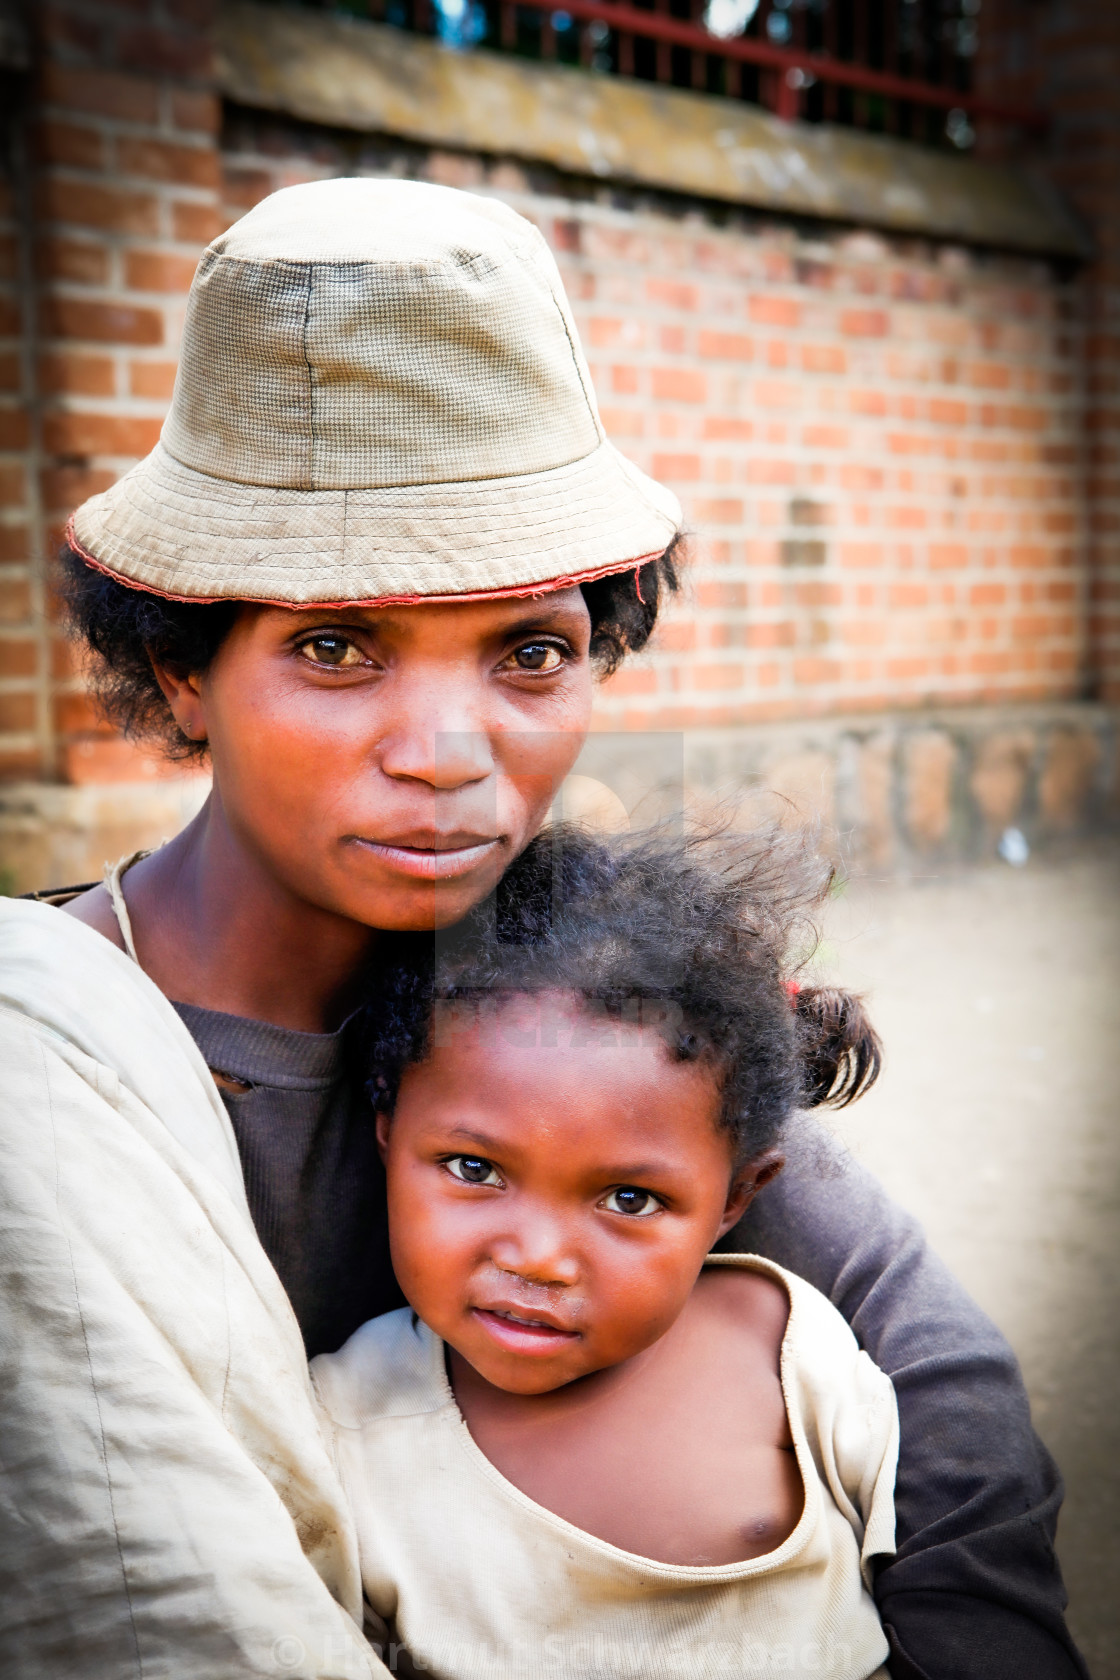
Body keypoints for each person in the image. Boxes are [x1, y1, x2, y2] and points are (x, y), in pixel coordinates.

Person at [0, 176, 1084, 1677]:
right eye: (334, 645)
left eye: (528, 650)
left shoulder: (563, 981)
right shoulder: (49, 1068)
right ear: (182, 669)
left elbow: (924, 1358)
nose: (447, 750)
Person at [314, 824, 900, 1680]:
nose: (541, 1258)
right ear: (386, 1135)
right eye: (474, 1169)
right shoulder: (344, 1427)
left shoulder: (790, 1354)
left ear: (736, 1198)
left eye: (630, 1199)